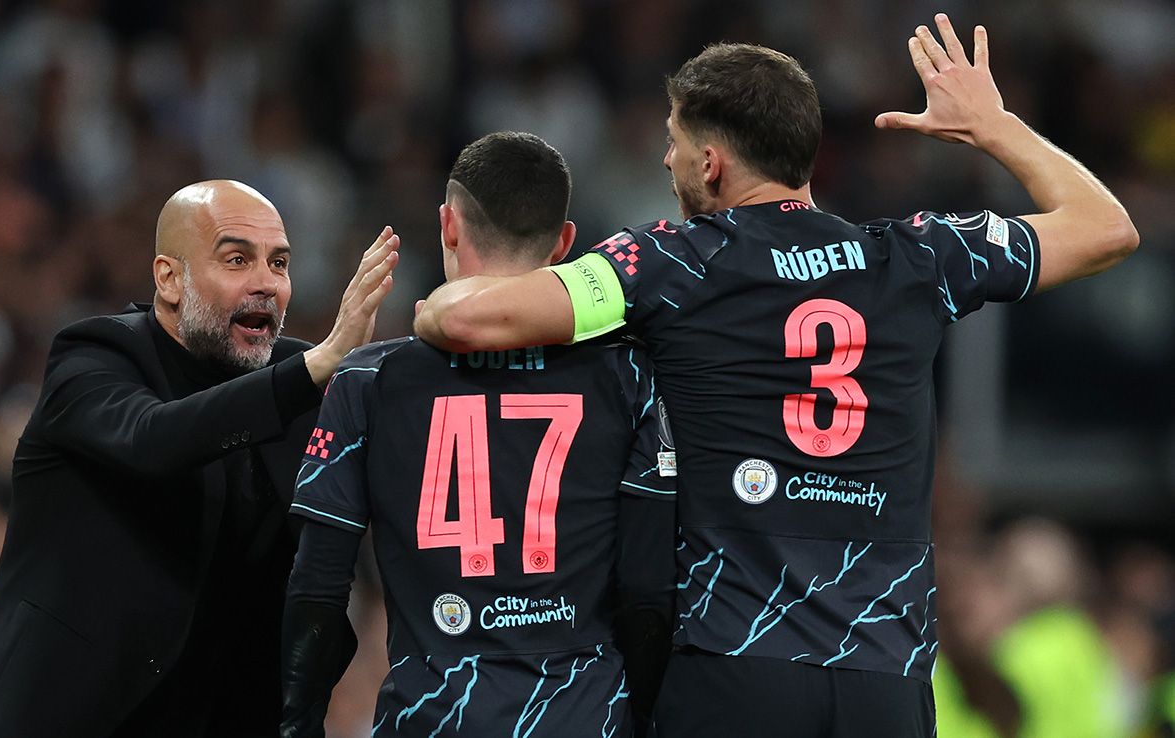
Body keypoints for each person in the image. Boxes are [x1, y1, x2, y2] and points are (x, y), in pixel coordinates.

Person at [414, 16, 1138, 737]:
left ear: (712, 163)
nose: (667, 161)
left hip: (734, 669)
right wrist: (994, 125)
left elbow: (466, 319)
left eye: (675, 142)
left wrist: (432, 304)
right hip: (884, 682)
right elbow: (1106, 227)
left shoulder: (670, 262)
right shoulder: (916, 260)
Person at [0, 180, 400, 737]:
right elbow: (152, 439)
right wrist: (318, 367)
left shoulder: (303, 379)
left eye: (278, 263)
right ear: (169, 278)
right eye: (237, 260)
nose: (265, 283)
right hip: (67, 716)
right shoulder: (95, 357)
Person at [281, 132, 676, 738]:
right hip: (584, 717)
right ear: (565, 243)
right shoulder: (629, 377)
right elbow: (649, 587)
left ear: (448, 225)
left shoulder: (367, 380)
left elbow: (318, 585)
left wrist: (298, 724)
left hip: (433, 718)